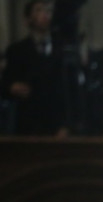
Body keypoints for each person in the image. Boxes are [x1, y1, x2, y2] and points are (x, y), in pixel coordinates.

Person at [0, 0, 65, 135]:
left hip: (57, 122)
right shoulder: (16, 50)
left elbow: (70, 90)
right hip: (27, 122)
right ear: (28, 19)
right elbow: (5, 84)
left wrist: (67, 125)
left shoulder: (62, 49)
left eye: (48, 10)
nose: (45, 14)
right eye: (39, 10)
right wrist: (12, 87)